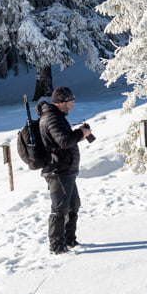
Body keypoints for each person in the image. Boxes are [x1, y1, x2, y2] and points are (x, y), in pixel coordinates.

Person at [38, 87, 95, 254]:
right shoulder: (52, 118)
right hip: (57, 171)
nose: (72, 106)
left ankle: (70, 240)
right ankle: (57, 247)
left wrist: (79, 134)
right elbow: (64, 141)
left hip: (65, 170)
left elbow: (63, 140)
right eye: (70, 103)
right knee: (60, 209)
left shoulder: (57, 117)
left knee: (72, 205)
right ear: (62, 103)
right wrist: (80, 133)